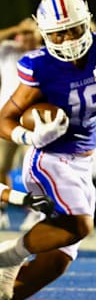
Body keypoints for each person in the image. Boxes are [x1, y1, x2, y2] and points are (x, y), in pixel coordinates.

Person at [0, 0, 96, 300]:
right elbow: (5, 119)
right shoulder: (38, 65)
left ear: (87, 22)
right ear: (45, 33)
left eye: (74, 28)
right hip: (49, 157)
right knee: (80, 225)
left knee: (57, 261)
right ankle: (9, 256)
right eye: (57, 33)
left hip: (83, 161)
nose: (67, 39)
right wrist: (29, 138)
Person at [0, 17, 43, 230]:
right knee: (0, 166)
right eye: (23, 34)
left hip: (33, 120)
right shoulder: (8, 49)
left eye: (30, 33)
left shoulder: (45, 54)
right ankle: (1, 209)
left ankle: (37, 211)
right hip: (6, 118)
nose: (26, 37)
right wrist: (18, 27)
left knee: (35, 168)